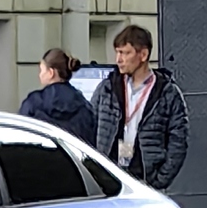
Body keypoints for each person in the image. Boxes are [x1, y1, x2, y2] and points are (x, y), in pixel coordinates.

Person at [92, 22, 190, 191]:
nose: (118, 59)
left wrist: (160, 179)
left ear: (143, 55)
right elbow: (89, 127)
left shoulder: (167, 93)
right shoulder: (107, 89)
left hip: (146, 180)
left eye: (125, 53)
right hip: (110, 180)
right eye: (117, 52)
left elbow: (178, 140)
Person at [19, 49, 97, 143]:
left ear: (51, 72)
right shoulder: (84, 106)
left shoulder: (32, 104)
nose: (39, 75)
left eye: (41, 70)